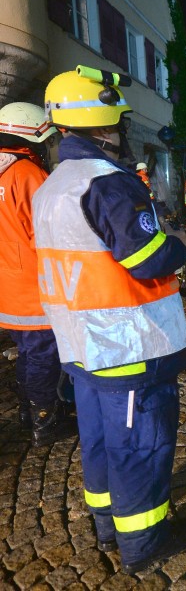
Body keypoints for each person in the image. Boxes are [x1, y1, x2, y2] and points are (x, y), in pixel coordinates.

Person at [33, 65, 186, 574]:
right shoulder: (108, 184)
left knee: (101, 442)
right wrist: (180, 246)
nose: (123, 131)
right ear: (102, 122)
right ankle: (144, 546)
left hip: (82, 346)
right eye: (119, 121)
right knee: (140, 449)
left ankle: (106, 525)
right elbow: (148, 259)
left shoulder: (53, 185)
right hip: (129, 349)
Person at [0, 102, 78, 446]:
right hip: (33, 289)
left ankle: (26, 412)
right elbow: (48, 232)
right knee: (44, 355)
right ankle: (45, 422)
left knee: (29, 353)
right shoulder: (27, 174)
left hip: (8, 288)